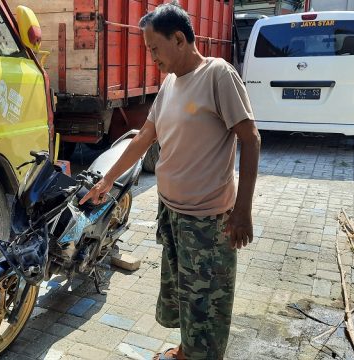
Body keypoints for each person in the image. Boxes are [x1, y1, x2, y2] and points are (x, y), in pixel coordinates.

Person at [79, 1, 261, 359]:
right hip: (174, 214)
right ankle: (185, 351)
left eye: (154, 49)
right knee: (184, 296)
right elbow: (144, 138)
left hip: (208, 221)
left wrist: (243, 211)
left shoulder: (218, 75)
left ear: (179, 39)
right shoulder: (170, 84)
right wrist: (107, 182)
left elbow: (251, 138)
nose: (152, 58)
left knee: (207, 304)